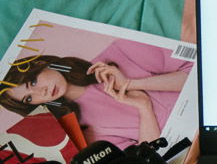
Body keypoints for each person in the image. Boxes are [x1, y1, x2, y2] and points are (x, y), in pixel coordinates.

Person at [0, 39, 192, 150]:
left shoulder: (119, 51)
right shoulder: (84, 132)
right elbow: (151, 156)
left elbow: (197, 69)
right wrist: (144, 108)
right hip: (191, 147)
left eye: (32, 82)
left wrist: (131, 84)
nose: (40, 92)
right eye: (29, 98)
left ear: (40, 64)